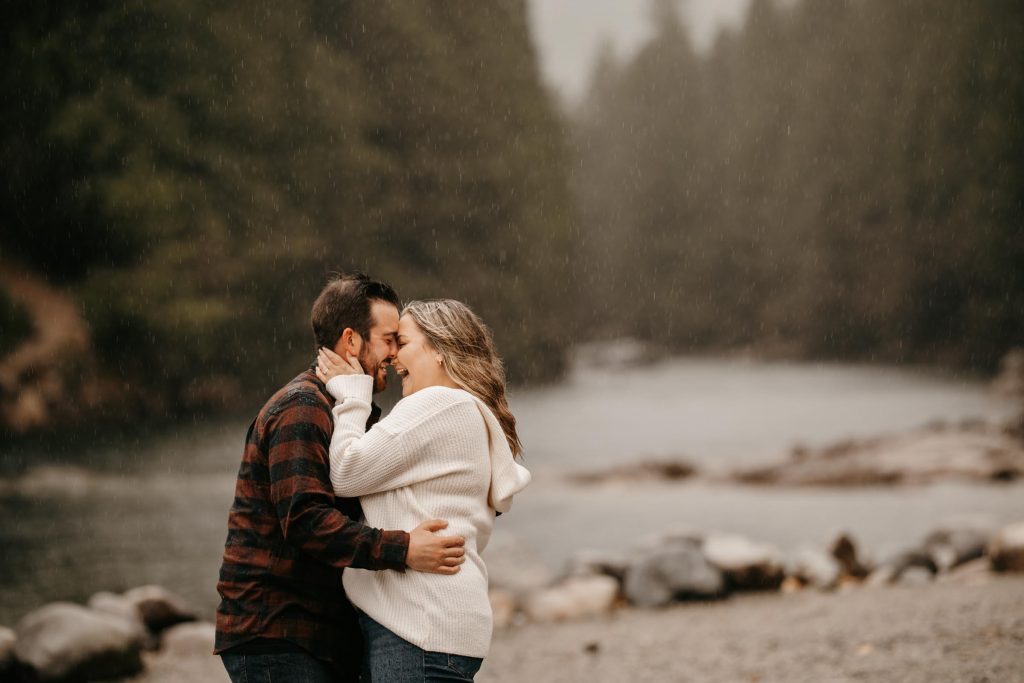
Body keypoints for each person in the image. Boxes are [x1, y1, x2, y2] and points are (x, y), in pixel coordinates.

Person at [214, 274, 468, 683]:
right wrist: (403, 549)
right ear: (351, 341)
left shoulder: (348, 412)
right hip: (277, 631)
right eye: (389, 339)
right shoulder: (303, 407)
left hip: (314, 635)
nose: (395, 354)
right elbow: (305, 520)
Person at [316, 298, 531, 682]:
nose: (394, 355)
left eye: (404, 342)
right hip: (437, 622)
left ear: (439, 351)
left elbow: (346, 471)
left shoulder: (438, 404)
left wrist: (352, 395)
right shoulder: (468, 411)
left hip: (418, 623)